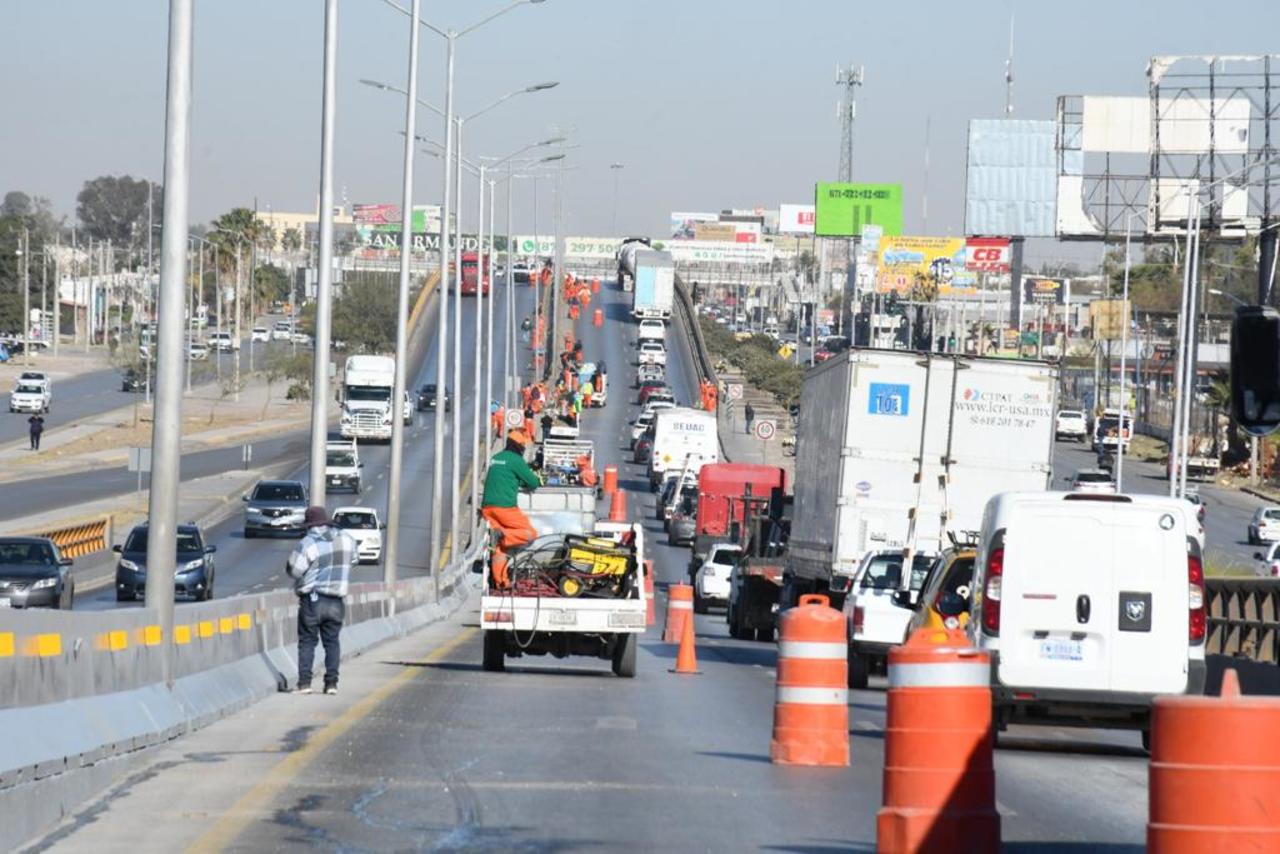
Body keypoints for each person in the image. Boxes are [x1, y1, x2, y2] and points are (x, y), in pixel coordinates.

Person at [286, 506, 356, 695]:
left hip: (313, 598)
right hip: (336, 599)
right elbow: (354, 559)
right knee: (332, 642)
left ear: (310, 525)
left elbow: (294, 570)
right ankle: (331, 684)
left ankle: (305, 684)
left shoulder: (308, 543)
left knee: (308, 641)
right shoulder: (347, 539)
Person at [480, 430, 541, 588]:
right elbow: (533, 483)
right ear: (519, 446)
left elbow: (506, 479)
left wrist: (518, 482)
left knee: (500, 549)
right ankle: (503, 535)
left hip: (487, 508)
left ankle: (501, 582)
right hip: (505, 508)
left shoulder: (496, 458)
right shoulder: (515, 460)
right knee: (530, 534)